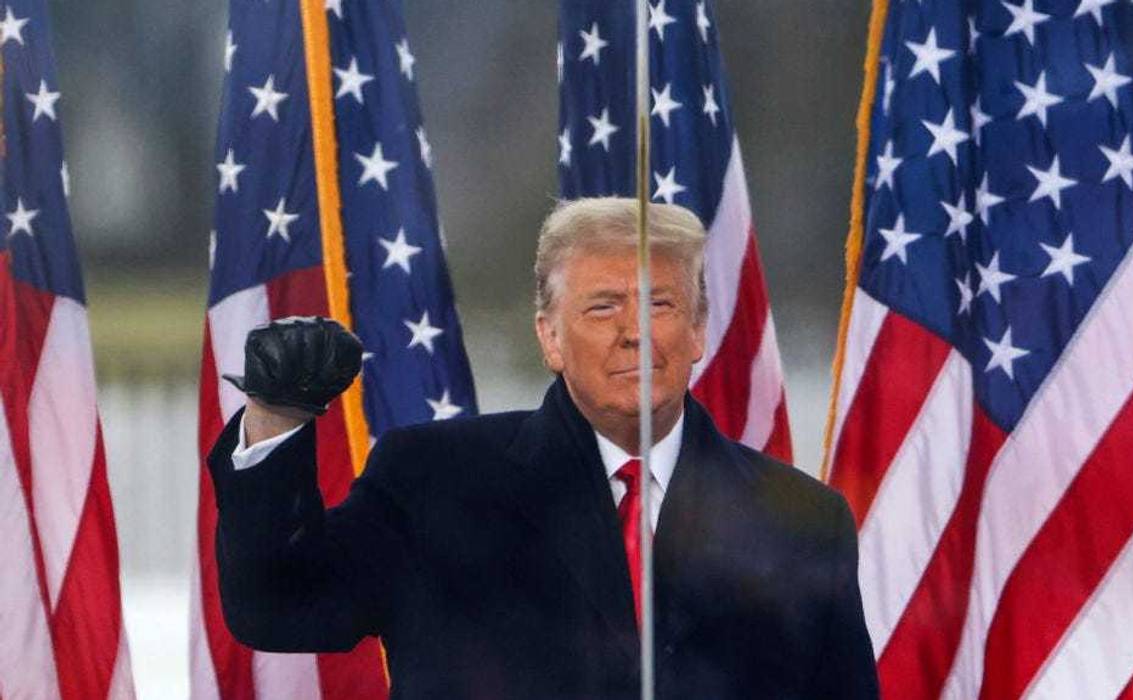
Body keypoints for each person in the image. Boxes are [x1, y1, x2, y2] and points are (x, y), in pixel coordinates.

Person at [209, 197, 879, 699]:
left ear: (699, 331)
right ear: (549, 337)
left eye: (661, 304)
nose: (634, 333)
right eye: (602, 307)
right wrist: (277, 415)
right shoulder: (432, 483)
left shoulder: (801, 520)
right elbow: (278, 606)